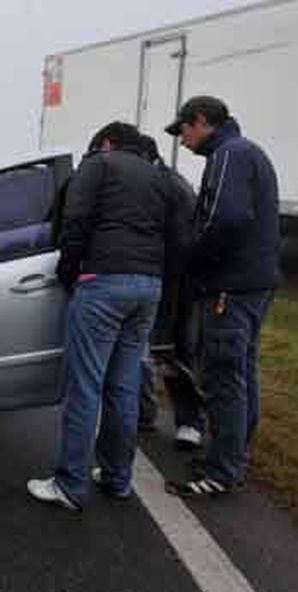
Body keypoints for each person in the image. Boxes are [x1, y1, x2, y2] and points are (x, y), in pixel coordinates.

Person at [28, 122, 186, 510]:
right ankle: (118, 478)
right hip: (147, 288)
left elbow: (74, 220)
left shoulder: (99, 166)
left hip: (103, 283)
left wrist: (69, 271)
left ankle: (69, 484)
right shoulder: (161, 178)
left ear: (108, 143)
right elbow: (178, 237)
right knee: (124, 386)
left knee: (85, 387)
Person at [163, 96, 281, 497]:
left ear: (201, 121)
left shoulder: (229, 154)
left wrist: (193, 259)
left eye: (183, 130)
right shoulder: (248, 153)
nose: (183, 140)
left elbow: (225, 217)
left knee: (223, 378)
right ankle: (231, 457)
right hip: (254, 284)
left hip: (230, 286)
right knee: (242, 373)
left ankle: (221, 470)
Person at [133, 134, 206, 449]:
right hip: (161, 278)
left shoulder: (169, 186)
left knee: (177, 349)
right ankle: (144, 414)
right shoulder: (160, 182)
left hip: (178, 283)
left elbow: (180, 243)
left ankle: (190, 422)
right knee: (145, 349)